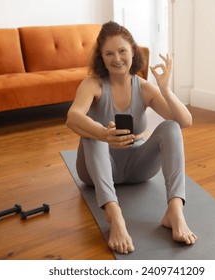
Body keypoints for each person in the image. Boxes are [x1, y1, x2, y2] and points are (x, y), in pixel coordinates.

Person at [66, 21, 197, 254]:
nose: (116, 58)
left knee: (171, 127)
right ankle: (114, 215)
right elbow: (72, 117)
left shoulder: (144, 88)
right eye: (109, 53)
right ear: (102, 58)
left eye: (122, 51)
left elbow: (185, 121)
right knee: (91, 132)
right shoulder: (93, 84)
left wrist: (165, 89)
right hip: (95, 171)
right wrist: (104, 134)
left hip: (137, 169)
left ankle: (175, 211)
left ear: (133, 51)